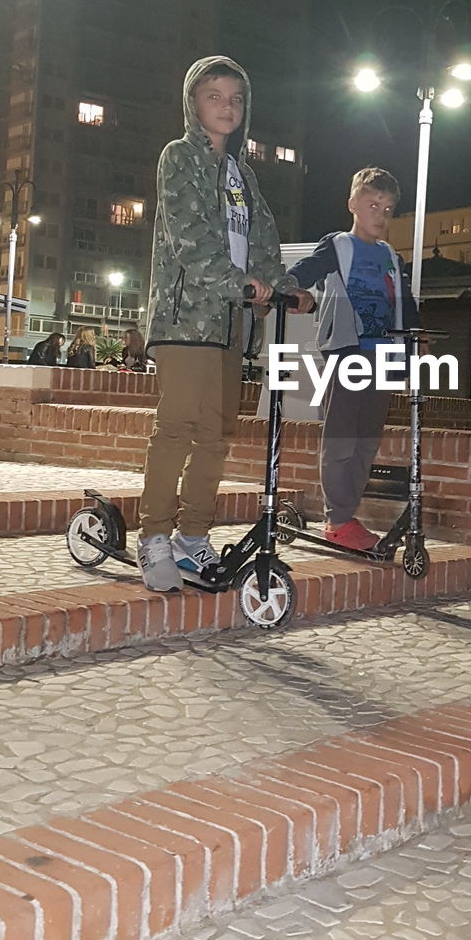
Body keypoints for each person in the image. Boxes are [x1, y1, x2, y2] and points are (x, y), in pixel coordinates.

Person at [139, 55, 313, 592]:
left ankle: (193, 536)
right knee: (178, 426)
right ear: (193, 103)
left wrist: (283, 287)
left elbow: (261, 246)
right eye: (214, 95)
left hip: (232, 324)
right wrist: (235, 281)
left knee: (216, 433)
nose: (227, 106)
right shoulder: (179, 158)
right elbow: (191, 238)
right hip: (186, 318)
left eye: (235, 98)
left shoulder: (243, 176)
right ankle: (153, 537)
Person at [287, 167, 419, 551]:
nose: (380, 214)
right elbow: (304, 271)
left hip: (383, 358)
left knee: (366, 441)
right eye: (373, 204)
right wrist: (290, 291)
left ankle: (346, 515)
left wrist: (414, 347)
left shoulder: (392, 257)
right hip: (347, 354)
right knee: (341, 438)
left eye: (388, 208)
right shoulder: (339, 246)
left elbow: (405, 305)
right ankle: (337, 518)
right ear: (353, 205)